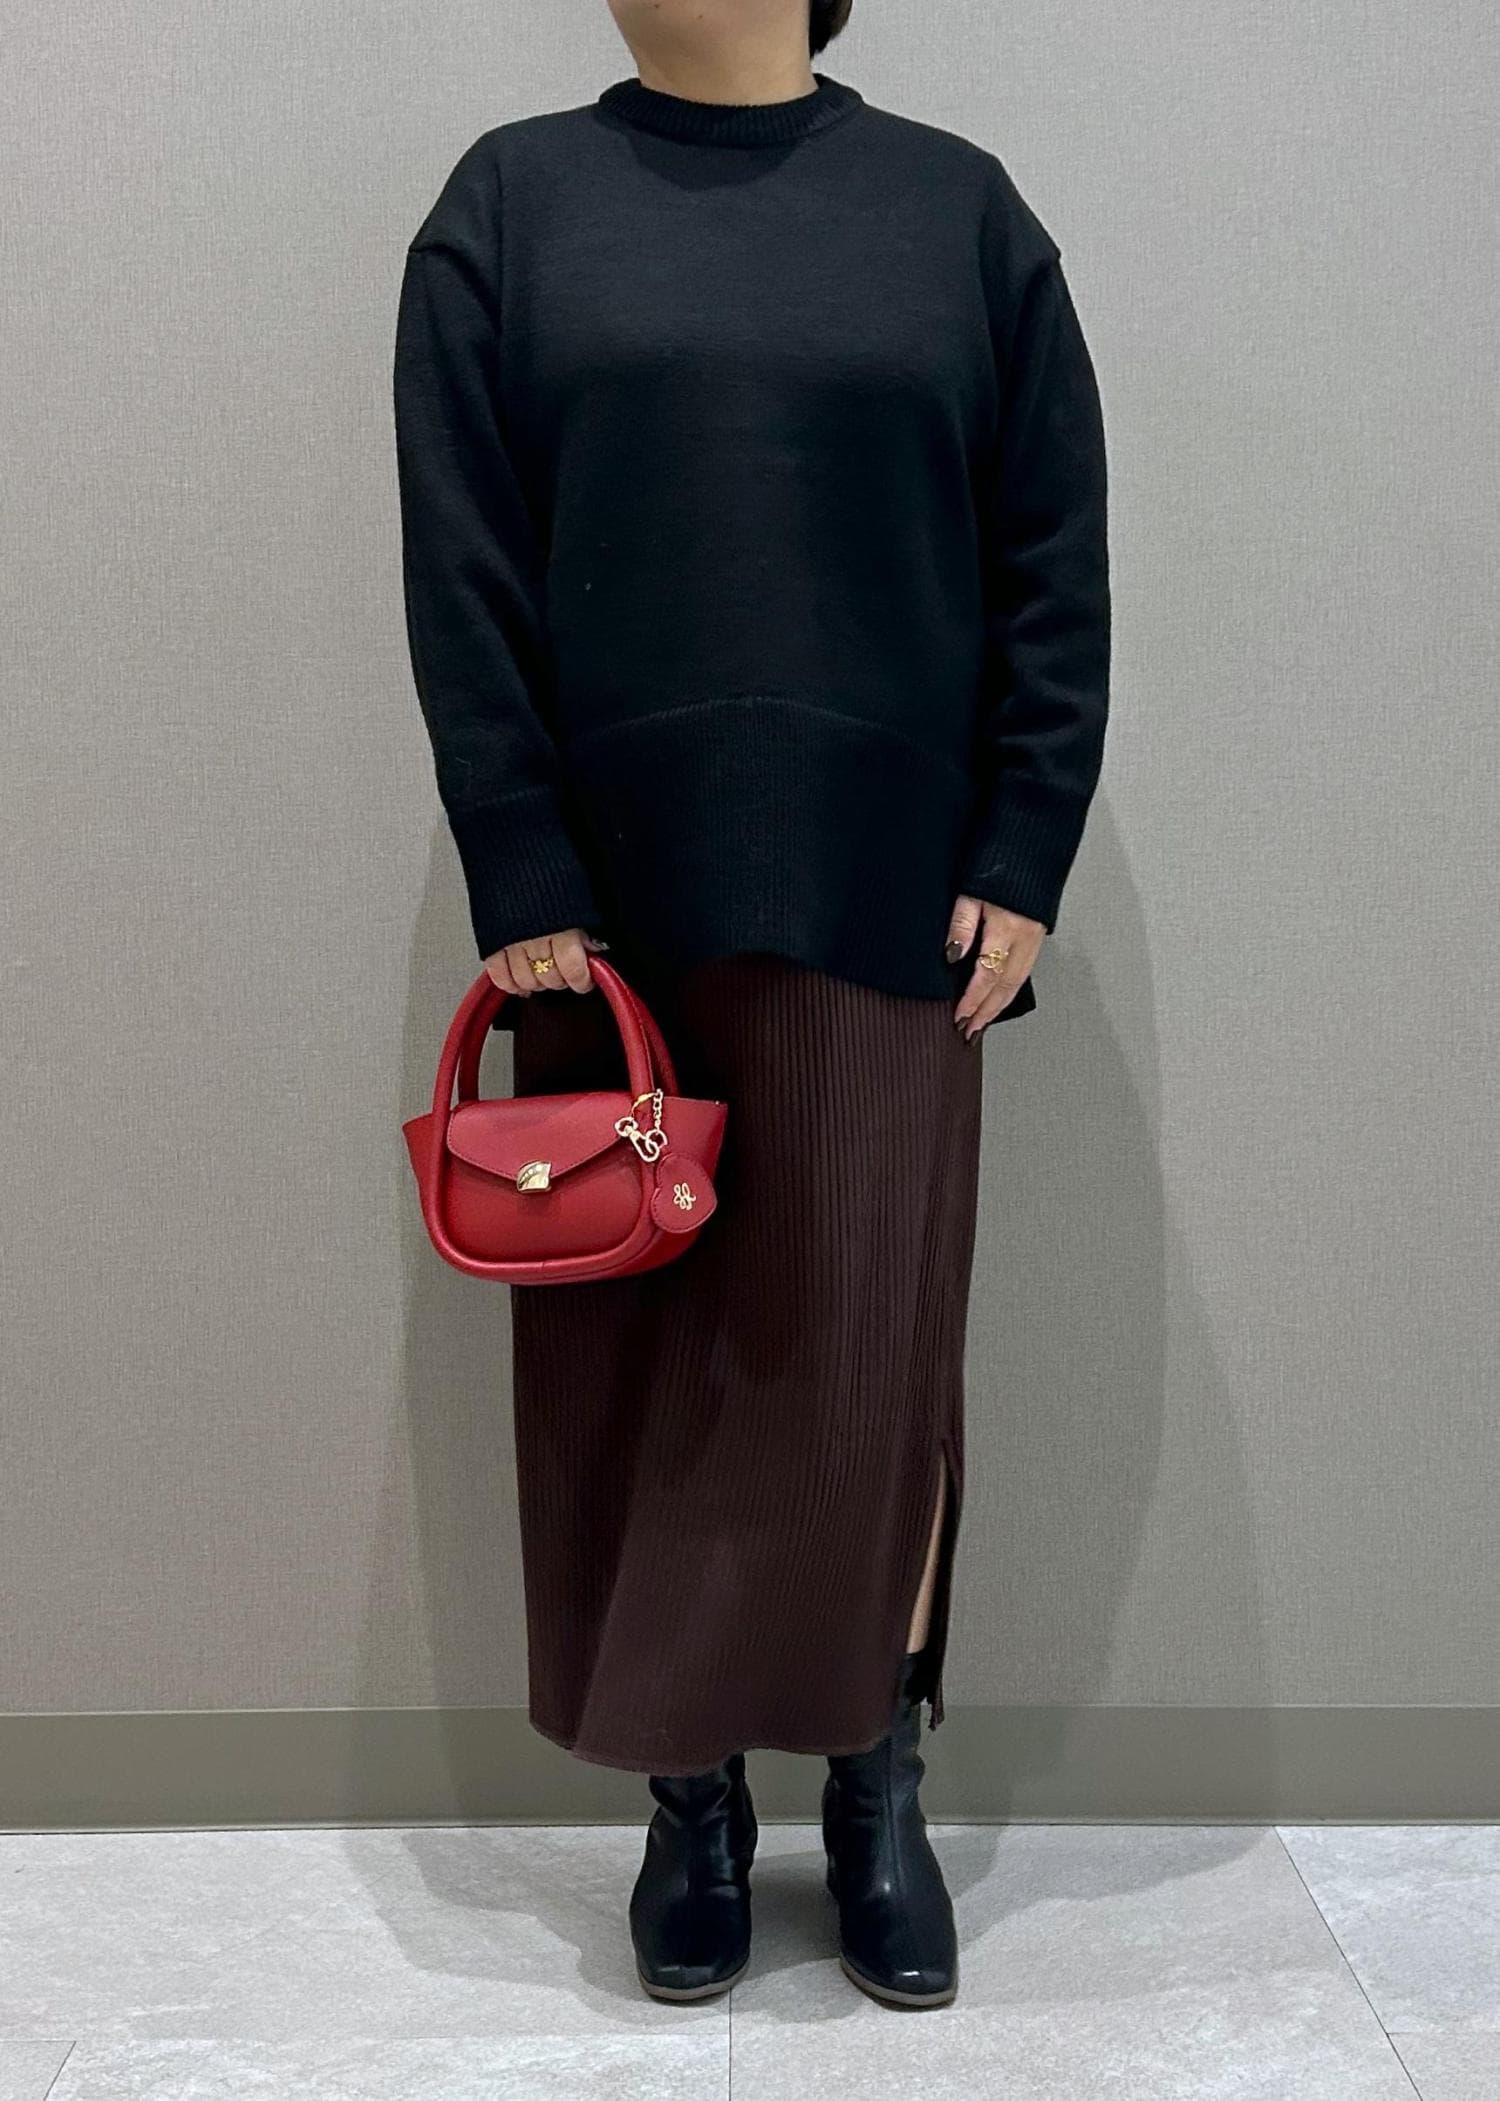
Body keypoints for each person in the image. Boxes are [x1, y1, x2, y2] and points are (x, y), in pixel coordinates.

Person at [392, 0, 1109, 2013]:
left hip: (895, 894)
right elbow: (463, 560)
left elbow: (1052, 554)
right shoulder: (512, 210)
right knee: (640, 1378)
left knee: (872, 1369)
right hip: (608, 925)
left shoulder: (959, 219)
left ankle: (876, 1786)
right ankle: (689, 1801)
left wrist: (1026, 841)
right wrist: (519, 855)